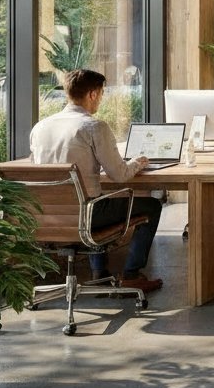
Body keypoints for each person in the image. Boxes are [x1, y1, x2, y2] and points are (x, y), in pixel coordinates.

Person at [29, 69, 163, 292]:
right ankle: (131, 274)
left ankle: (99, 273)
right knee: (151, 206)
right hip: (87, 216)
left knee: (94, 198)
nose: (101, 98)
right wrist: (138, 162)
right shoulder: (93, 127)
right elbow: (119, 175)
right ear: (92, 94)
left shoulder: (40, 127)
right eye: (102, 93)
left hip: (48, 216)